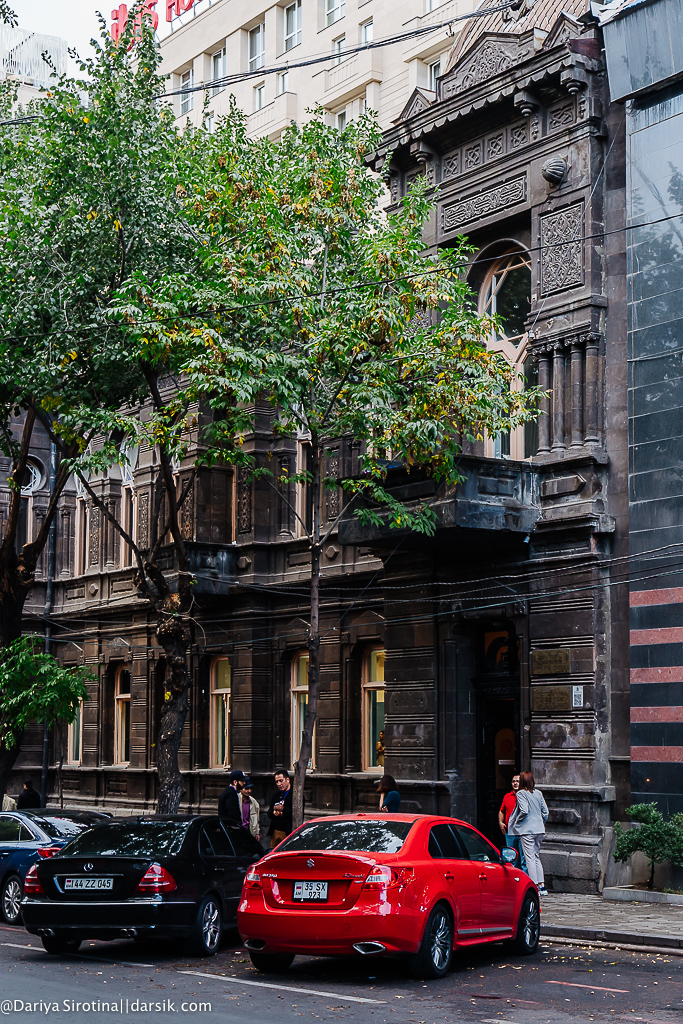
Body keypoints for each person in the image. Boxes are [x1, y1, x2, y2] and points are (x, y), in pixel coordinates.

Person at [508, 770, 549, 895]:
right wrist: (541, 822)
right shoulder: (538, 793)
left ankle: (534, 886)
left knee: (529, 858)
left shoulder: (521, 793)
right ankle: (542, 886)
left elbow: (524, 811)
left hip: (527, 830)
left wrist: (517, 821)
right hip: (539, 829)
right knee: (536, 856)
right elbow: (546, 812)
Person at [498, 774, 527, 873]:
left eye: (517, 781)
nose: (515, 783)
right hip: (510, 832)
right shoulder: (507, 796)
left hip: (522, 832)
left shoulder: (525, 796)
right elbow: (502, 810)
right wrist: (500, 822)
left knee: (524, 860)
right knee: (512, 859)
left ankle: (524, 880)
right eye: (513, 781)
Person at [267, 770, 294, 849]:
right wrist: (274, 813)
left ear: (287, 780)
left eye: (281, 781)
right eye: (277, 782)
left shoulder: (294, 795)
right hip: (276, 831)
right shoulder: (276, 795)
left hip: (288, 832)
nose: (279, 784)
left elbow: (296, 814)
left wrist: (283, 809)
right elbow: (269, 812)